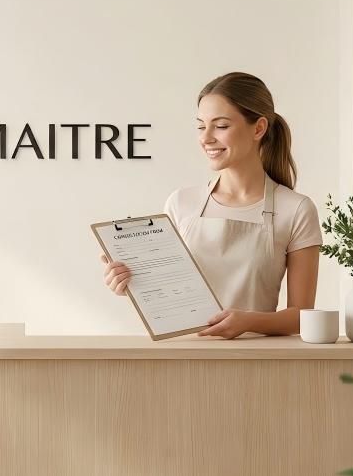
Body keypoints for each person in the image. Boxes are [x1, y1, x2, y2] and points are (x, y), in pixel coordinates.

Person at [101, 72, 321, 339]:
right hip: (184, 356)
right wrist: (131, 283)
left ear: (259, 128)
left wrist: (250, 321)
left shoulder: (296, 210)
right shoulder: (181, 203)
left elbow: (301, 316)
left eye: (221, 126)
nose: (206, 138)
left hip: (257, 363)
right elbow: (169, 297)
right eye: (200, 126)